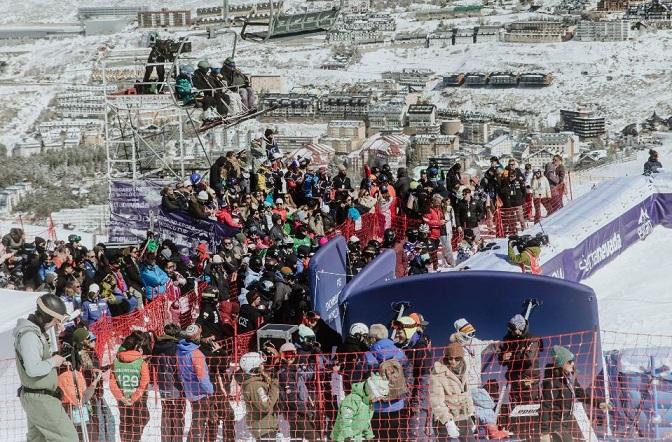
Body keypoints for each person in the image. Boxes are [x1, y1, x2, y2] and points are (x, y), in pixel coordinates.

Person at [13, 294, 79, 441]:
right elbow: (33, 369)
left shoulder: (36, 334)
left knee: (38, 439)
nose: (56, 325)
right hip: (40, 398)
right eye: (56, 321)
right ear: (47, 316)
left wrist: (57, 358)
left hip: (39, 396)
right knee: (67, 438)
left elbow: (37, 361)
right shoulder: (29, 335)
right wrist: (53, 362)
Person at [540, 346, 599, 442]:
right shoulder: (552, 382)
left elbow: (581, 395)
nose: (573, 363)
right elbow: (545, 406)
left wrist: (599, 403)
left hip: (564, 423)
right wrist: (545, 432)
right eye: (569, 361)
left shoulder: (570, 379)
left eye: (573, 360)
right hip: (555, 424)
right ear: (561, 363)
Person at [365, 323, 411, 441]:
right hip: (398, 403)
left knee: (378, 436)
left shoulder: (369, 355)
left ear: (374, 338)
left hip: (377, 405)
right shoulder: (400, 352)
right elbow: (408, 374)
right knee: (395, 436)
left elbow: (362, 379)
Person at [498, 314, 542, 436]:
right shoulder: (508, 340)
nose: (512, 332)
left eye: (514, 329)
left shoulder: (532, 339)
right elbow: (501, 360)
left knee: (530, 412)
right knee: (516, 413)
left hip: (529, 383)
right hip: (514, 383)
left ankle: (533, 436)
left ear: (521, 328)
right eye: (511, 330)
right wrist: (503, 356)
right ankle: (520, 435)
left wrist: (511, 356)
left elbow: (528, 359)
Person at [429, 342, 476, 441]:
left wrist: (471, 413)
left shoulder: (463, 370)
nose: (453, 362)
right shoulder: (438, 373)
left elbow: (467, 394)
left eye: (457, 358)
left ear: (461, 358)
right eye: (450, 358)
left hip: (462, 416)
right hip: (444, 420)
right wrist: (448, 422)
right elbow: (436, 400)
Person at [177, 324, 216, 441]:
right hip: (201, 393)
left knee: (197, 421)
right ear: (196, 337)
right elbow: (202, 377)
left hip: (189, 390)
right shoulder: (196, 354)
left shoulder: (180, 350)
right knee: (201, 423)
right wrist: (211, 390)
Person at [110, 332, 150, 442]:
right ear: (137, 347)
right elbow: (144, 382)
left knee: (125, 422)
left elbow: (112, 383)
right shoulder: (141, 363)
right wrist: (134, 398)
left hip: (122, 399)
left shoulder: (116, 361)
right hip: (137, 400)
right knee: (136, 424)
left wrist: (120, 397)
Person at [277, 342, 318, 441]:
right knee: (313, 437)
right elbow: (290, 396)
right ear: (282, 356)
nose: (290, 357)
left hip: (299, 408)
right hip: (296, 410)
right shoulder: (284, 372)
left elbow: (307, 375)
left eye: (292, 354)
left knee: (297, 437)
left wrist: (312, 359)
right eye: (286, 355)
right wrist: (303, 410)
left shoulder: (294, 369)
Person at [331, 375, 390, 442]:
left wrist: (369, 435)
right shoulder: (353, 399)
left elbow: (366, 421)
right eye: (377, 397)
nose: (378, 399)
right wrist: (348, 435)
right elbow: (345, 419)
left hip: (356, 437)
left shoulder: (368, 403)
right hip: (342, 437)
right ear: (370, 391)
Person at [152, 323, 185, 442]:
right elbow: (179, 368)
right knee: (178, 414)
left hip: (163, 383)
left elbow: (154, 363)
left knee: (166, 413)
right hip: (176, 386)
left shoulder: (157, 346)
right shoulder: (177, 348)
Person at [240, 351, 280, 440]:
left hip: (265, 426)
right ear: (255, 367)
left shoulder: (257, 382)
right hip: (263, 428)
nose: (263, 366)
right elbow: (266, 406)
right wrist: (275, 385)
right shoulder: (255, 386)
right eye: (261, 364)